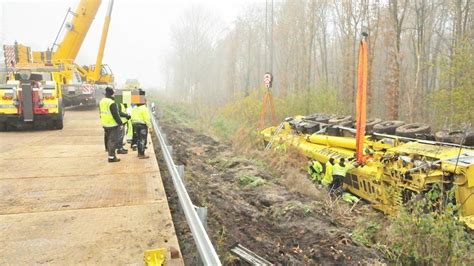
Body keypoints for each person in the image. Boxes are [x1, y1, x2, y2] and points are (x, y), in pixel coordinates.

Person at [99, 87, 127, 162]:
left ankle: (109, 152)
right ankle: (111, 157)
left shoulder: (102, 101)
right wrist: (120, 124)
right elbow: (116, 115)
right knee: (112, 140)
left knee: (108, 139)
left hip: (105, 123)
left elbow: (101, 112)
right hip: (112, 124)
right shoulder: (112, 103)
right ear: (112, 94)